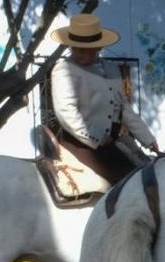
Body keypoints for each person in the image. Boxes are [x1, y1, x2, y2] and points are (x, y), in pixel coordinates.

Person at [49, 14, 159, 184]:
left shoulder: (112, 68)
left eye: (86, 49)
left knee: (149, 172)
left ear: (98, 47)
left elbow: (124, 108)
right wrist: (97, 137)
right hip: (84, 145)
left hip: (117, 142)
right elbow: (66, 111)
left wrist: (147, 138)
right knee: (128, 183)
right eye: (76, 48)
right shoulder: (64, 69)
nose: (80, 54)